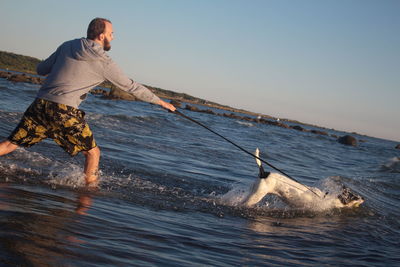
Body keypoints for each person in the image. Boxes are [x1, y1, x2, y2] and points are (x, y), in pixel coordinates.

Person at [0, 18, 176, 186]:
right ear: (101, 36)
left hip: (40, 105)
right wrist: (162, 103)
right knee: (93, 153)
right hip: (64, 111)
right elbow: (132, 87)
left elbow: (40, 69)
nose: (113, 37)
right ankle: (88, 195)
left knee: (9, 144)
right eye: (111, 33)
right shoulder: (104, 62)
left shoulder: (68, 45)